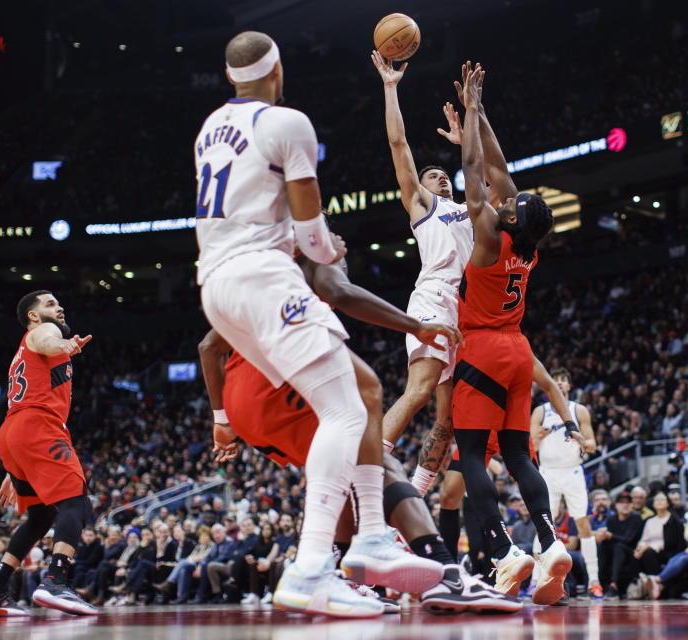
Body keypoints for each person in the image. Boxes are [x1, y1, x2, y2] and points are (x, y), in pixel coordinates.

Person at [194, 31, 419, 618]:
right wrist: (328, 253)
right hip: (262, 278)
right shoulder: (288, 122)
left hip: (214, 287)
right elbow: (312, 232)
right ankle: (312, 566)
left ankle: (371, 536)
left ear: (229, 77)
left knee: (365, 389)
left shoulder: (208, 130)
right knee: (344, 410)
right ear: (277, 71)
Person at [198, 251, 515, 613]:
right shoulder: (313, 255)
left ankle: (339, 576)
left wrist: (222, 420)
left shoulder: (260, 281)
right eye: (334, 234)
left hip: (242, 401)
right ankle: (446, 574)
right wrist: (415, 326)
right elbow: (341, 292)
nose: (342, 243)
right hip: (279, 381)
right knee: (376, 455)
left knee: (345, 473)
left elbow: (208, 348)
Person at [371, 54, 525, 498]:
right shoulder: (425, 207)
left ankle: (415, 498)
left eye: (443, 172)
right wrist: (390, 87)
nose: (438, 175)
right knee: (418, 389)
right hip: (435, 297)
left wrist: (470, 131)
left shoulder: (475, 210)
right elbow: (399, 146)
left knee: (448, 417)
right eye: (430, 174)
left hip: (468, 309)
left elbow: (496, 173)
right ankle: (364, 466)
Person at [450, 64, 572, 606]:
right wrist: (481, 110)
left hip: (481, 348)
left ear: (509, 218)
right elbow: (500, 168)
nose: (501, 201)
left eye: (507, 205)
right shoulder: (527, 244)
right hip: (520, 352)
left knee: (473, 456)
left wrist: (472, 115)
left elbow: (477, 169)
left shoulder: (485, 238)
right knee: (521, 456)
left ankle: (504, 551)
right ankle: (549, 541)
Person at [0, 290, 96, 617]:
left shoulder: (23, 351)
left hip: (15, 432)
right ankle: (55, 581)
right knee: (76, 501)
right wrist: (63, 345)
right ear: (33, 315)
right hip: (37, 426)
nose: (60, 307)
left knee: (41, 515)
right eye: (51, 304)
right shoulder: (42, 331)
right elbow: (46, 339)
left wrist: (16, 467)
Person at [530, 368, 602, 599]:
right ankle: (536, 580)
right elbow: (530, 445)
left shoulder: (578, 410)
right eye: (555, 380)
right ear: (548, 385)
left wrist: (584, 441)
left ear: (569, 387)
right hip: (548, 473)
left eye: (564, 381)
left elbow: (592, 445)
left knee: (583, 525)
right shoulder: (539, 412)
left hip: (572, 472)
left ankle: (594, 582)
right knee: (543, 525)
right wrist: (538, 438)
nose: (560, 384)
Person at [633, 492, 684, 596]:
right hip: (649, 550)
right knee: (635, 554)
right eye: (657, 500)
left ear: (668, 503)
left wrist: (648, 547)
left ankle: (657, 582)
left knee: (648, 553)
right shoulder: (649, 521)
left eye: (662, 499)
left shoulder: (674, 520)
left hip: (668, 552)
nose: (659, 502)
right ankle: (644, 581)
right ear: (653, 504)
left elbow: (671, 541)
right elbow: (644, 539)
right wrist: (639, 548)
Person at [596, 491, 643, 600]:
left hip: (632, 553)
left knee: (619, 547)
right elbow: (608, 540)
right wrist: (602, 536)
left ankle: (614, 584)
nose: (625, 505)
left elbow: (628, 540)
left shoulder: (636, 518)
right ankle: (599, 583)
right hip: (615, 553)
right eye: (622, 502)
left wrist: (610, 535)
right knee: (602, 546)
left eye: (628, 502)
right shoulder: (612, 519)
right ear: (616, 505)